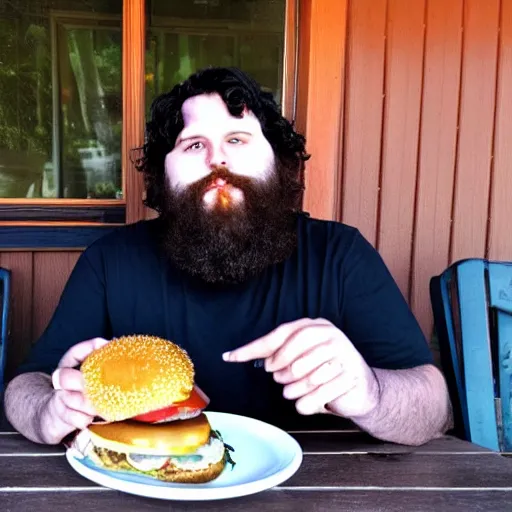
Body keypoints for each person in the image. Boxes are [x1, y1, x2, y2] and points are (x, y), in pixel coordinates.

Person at [3, 67, 452, 446]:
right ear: (163, 174)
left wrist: (370, 393)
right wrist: (48, 412)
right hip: (143, 483)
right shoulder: (111, 261)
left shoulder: (339, 255)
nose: (217, 159)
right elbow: (26, 386)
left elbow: (434, 408)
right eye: (193, 144)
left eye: (238, 139)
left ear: (278, 162)